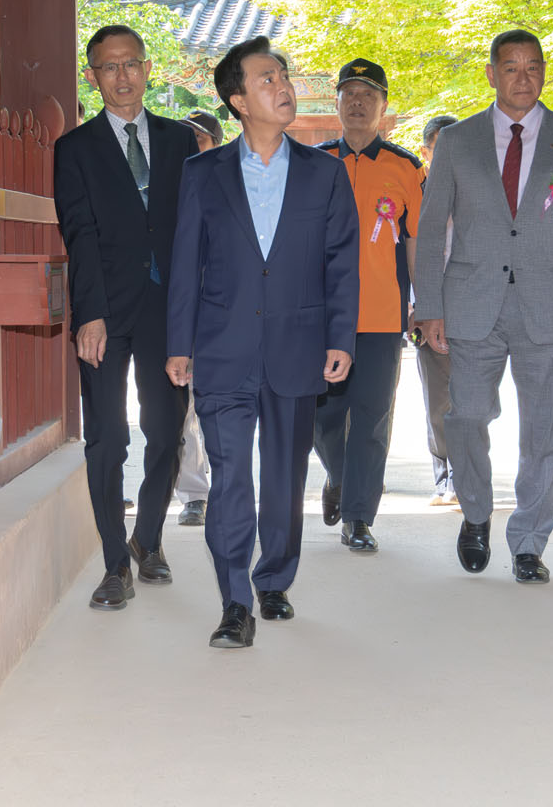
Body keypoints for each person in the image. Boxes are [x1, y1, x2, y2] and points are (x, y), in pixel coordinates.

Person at [166, 35, 359, 649]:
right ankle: (234, 602)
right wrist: (178, 344)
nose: (283, 86)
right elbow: (185, 263)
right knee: (230, 478)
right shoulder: (202, 174)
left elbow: (341, 262)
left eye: (283, 75)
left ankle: (274, 578)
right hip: (223, 347)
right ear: (239, 101)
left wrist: (341, 337)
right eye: (266, 79)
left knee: (282, 476)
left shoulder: (325, 173)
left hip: (298, 346)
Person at [412, 29, 553, 584]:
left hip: (552, 302)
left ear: (544, 71)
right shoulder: (458, 141)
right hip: (472, 301)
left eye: (533, 67)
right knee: (467, 415)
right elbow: (431, 228)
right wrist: (429, 305)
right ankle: (475, 511)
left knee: (543, 429)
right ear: (492, 74)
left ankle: (528, 542)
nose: (524, 78)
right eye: (512, 68)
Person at [53, 25, 199, 612]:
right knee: (108, 437)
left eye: (131, 63)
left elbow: (194, 230)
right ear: (93, 76)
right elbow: (79, 233)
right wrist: (89, 313)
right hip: (105, 313)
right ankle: (115, 562)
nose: (122, 76)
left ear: (147, 68)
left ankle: (149, 537)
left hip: (167, 311)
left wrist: (195, 312)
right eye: (109, 67)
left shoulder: (180, 140)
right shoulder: (75, 148)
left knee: (166, 431)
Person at [313, 59, 424, 553]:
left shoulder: (405, 168)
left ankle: (358, 517)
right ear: (336, 102)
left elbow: (416, 240)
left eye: (368, 96)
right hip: (320, 316)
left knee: (373, 417)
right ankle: (340, 476)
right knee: (321, 414)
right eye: (349, 94)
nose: (358, 103)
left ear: (383, 107)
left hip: (381, 313)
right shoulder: (313, 163)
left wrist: (423, 303)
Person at [171, 108, 224, 526]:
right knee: (181, 410)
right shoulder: (168, 185)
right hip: (182, 316)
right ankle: (194, 494)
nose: (189, 145)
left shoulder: (231, 186)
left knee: (220, 412)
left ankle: (227, 490)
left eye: (199, 138)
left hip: (224, 317)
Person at [413, 114, 459, 506]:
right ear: (426, 152)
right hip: (427, 307)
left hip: (473, 305)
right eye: (440, 148)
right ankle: (443, 474)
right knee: (437, 400)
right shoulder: (412, 193)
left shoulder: (479, 190)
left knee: (471, 397)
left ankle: (465, 473)